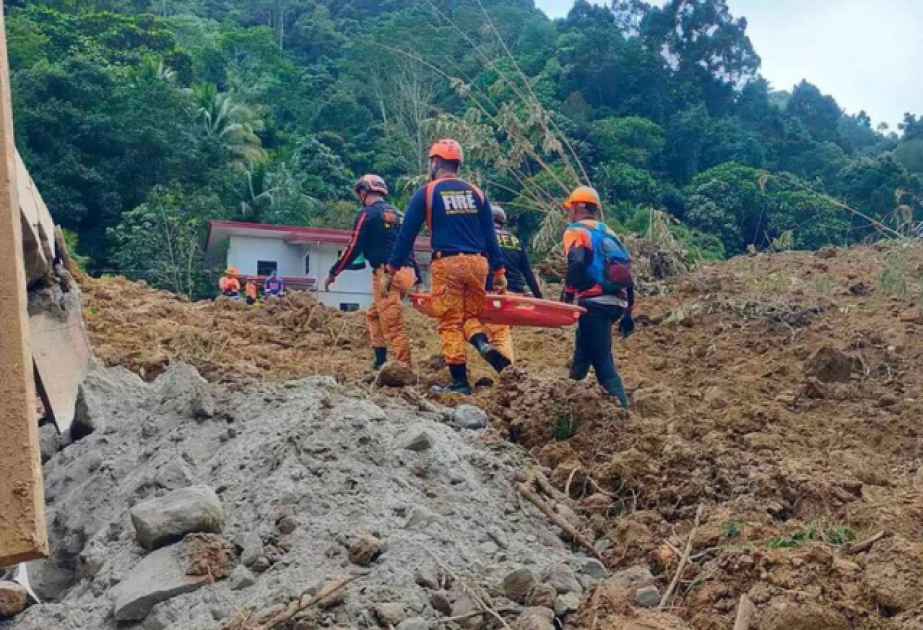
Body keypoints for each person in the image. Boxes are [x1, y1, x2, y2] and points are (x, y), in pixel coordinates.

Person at [387, 138, 509, 395]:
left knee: (449, 322)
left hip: (447, 263)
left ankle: (460, 383)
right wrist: (499, 272)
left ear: (435, 162)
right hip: (478, 263)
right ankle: (483, 344)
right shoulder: (477, 193)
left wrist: (392, 267)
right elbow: (490, 236)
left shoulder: (428, 192)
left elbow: (406, 234)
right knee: (469, 315)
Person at [325, 174, 417, 369]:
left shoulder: (367, 214)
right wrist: (416, 274)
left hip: (387, 275)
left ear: (363, 192)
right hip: (407, 272)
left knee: (392, 324)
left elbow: (354, 246)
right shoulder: (400, 215)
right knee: (373, 314)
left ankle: (404, 369)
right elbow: (408, 245)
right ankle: (380, 360)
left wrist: (334, 272)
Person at [561, 186, 634, 408]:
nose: (569, 212)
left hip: (594, 303)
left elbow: (576, 262)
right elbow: (627, 271)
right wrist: (629, 311)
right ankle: (568, 402)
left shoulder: (576, 231)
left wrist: (568, 296)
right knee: (583, 352)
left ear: (578, 207)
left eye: (570, 207)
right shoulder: (609, 232)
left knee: (603, 362)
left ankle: (623, 413)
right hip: (616, 303)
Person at [484, 205, 543, 362]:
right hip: (515, 294)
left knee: (498, 336)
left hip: (494, 294)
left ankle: (508, 373)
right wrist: (539, 297)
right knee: (500, 331)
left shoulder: (483, 238)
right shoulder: (515, 241)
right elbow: (528, 272)